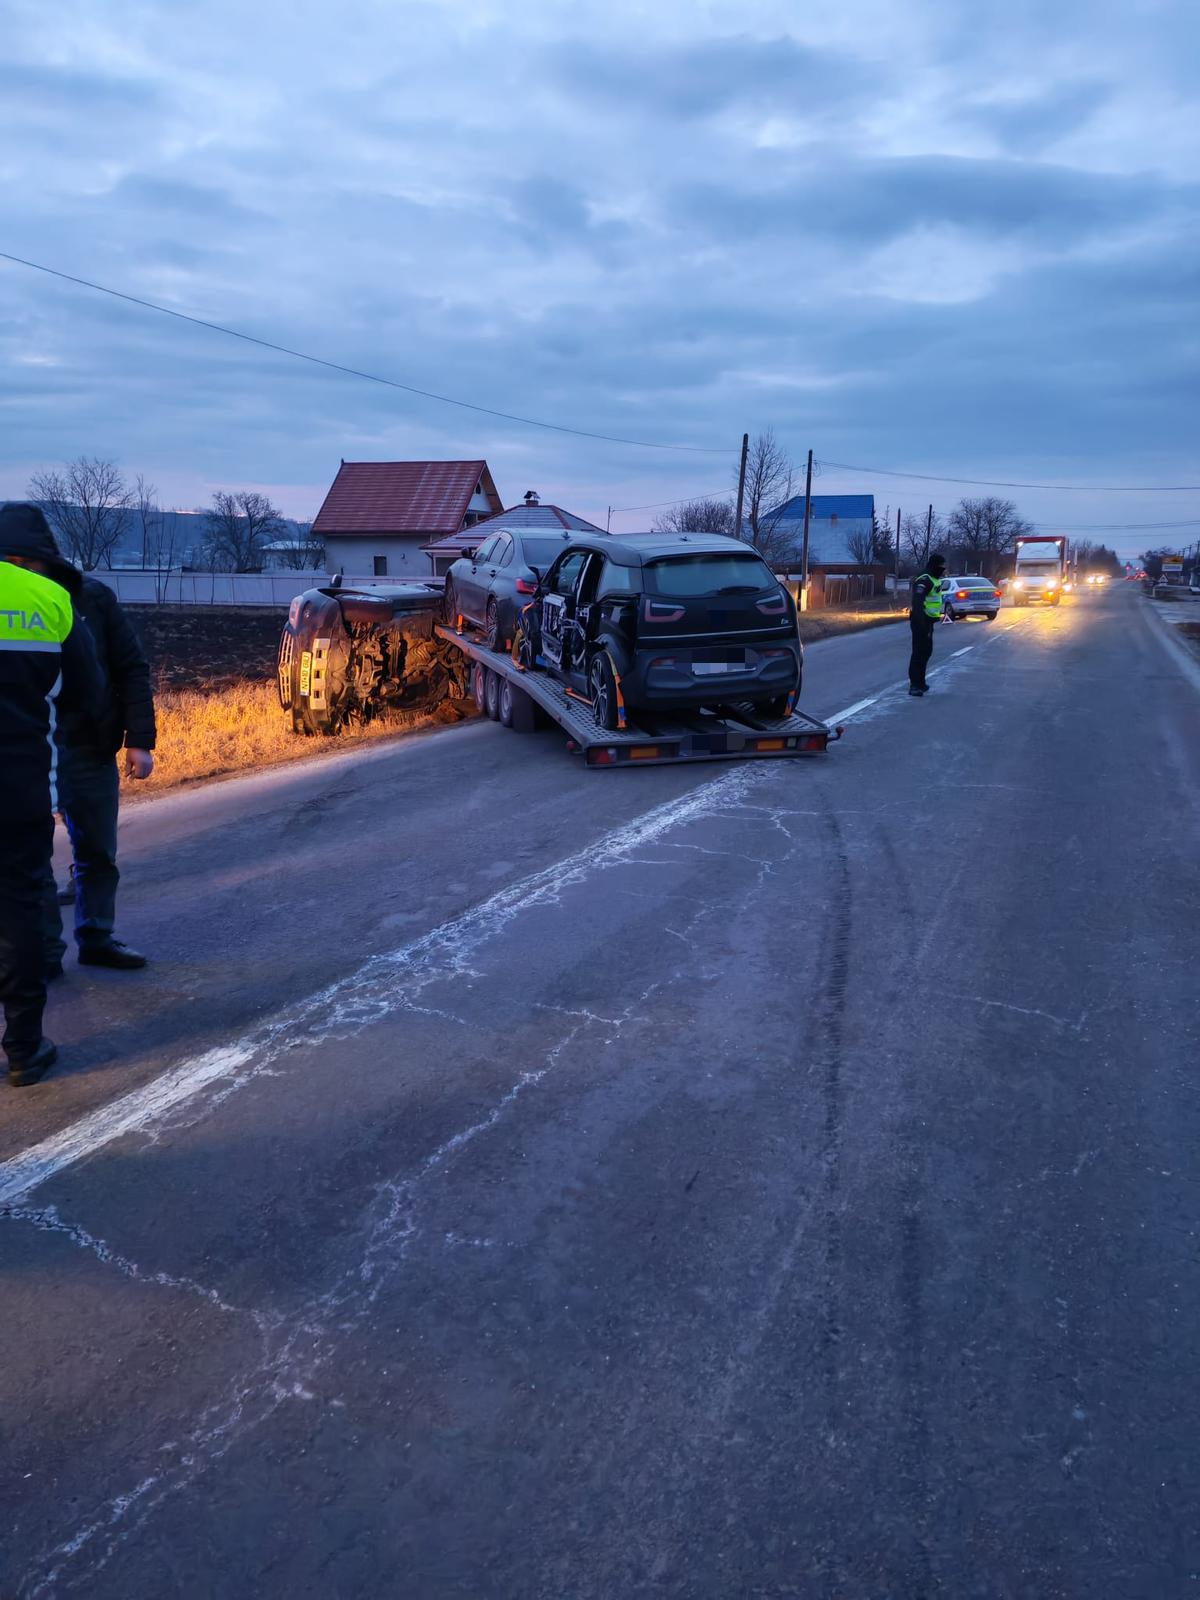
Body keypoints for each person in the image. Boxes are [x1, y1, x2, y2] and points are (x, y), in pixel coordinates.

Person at [0, 503, 104, 1086]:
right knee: (17, 909)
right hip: (17, 787)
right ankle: (24, 1048)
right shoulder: (49, 599)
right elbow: (87, 689)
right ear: (33, 558)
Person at [37, 548, 157, 973]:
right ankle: (43, 954)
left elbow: (130, 667)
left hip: (89, 744)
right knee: (28, 861)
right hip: (27, 748)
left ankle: (97, 937)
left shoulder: (93, 598)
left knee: (97, 853)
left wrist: (138, 740)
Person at [908, 552, 947, 696]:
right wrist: (921, 622)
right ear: (934, 566)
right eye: (941, 567)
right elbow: (917, 602)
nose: (943, 570)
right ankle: (914, 685)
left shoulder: (934, 579)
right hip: (921, 621)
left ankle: (921, 682)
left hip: (929, 621)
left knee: (926, 652)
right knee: (919, 653)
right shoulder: (925, 579)